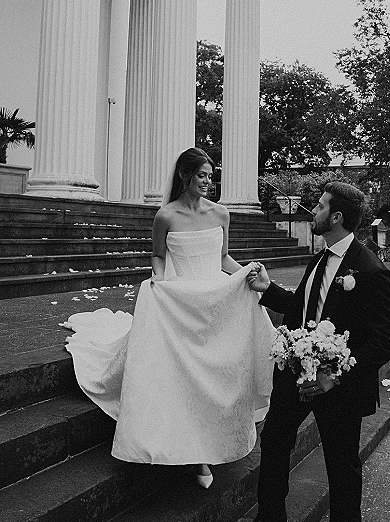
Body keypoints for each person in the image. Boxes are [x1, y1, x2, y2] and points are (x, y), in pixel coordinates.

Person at [64, 148, 274, 488]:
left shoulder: (221, 214)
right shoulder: (166, 216)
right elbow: (158, 257)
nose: (208, 181)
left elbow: (222, 259)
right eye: (202, 175)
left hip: (215, 302)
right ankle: (197, 455)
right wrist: (160, 283)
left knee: (215, 372)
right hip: (180, 302)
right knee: (185, 373)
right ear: (184, 176)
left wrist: (248, 272)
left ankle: (214, 442)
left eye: (211, 175)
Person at [231, 182, 390, 522]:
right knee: (274, 441)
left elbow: (383, 341)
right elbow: (304, 309)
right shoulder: (319, 258)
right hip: (295, 374)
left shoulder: (372, 272)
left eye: (321, 206)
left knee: (342, 469)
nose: (314, 210)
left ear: (336, 217)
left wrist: (333, 376)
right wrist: (267, 288)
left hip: (339, 387)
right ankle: (271, 516)